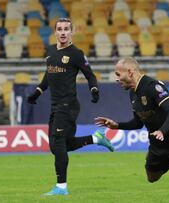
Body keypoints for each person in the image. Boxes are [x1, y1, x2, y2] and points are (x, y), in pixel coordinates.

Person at [27, 17, 114, 196]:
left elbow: (90, 75)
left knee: (58, 142)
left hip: (68, 105)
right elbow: (48, 77)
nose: (63, 32)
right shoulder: (50, 52)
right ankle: (95, 139)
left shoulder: (76, 53)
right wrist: (37, 92)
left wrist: (94, 89)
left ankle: (61, 187)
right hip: (55, 105)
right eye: (60, 29)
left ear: (72, 32)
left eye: (67, 29)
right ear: (55, 32)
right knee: (57, 146)